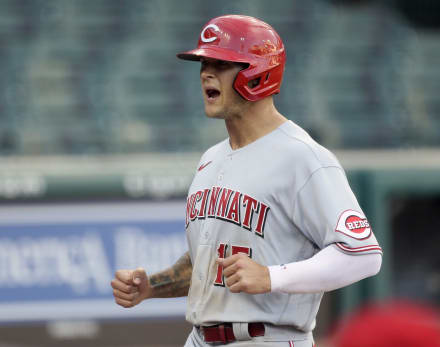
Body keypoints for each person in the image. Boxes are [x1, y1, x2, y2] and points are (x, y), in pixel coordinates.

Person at [111, 15, 383, 347]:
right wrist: (152, 287)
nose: (206, 73)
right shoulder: (211, 158)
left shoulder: (303, 158)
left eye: (220, 63)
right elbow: (209, 262)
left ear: (258, 73)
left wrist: (272, 277)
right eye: (203, 63)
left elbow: (363, 255)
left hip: (269, 337)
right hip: (199, 338)